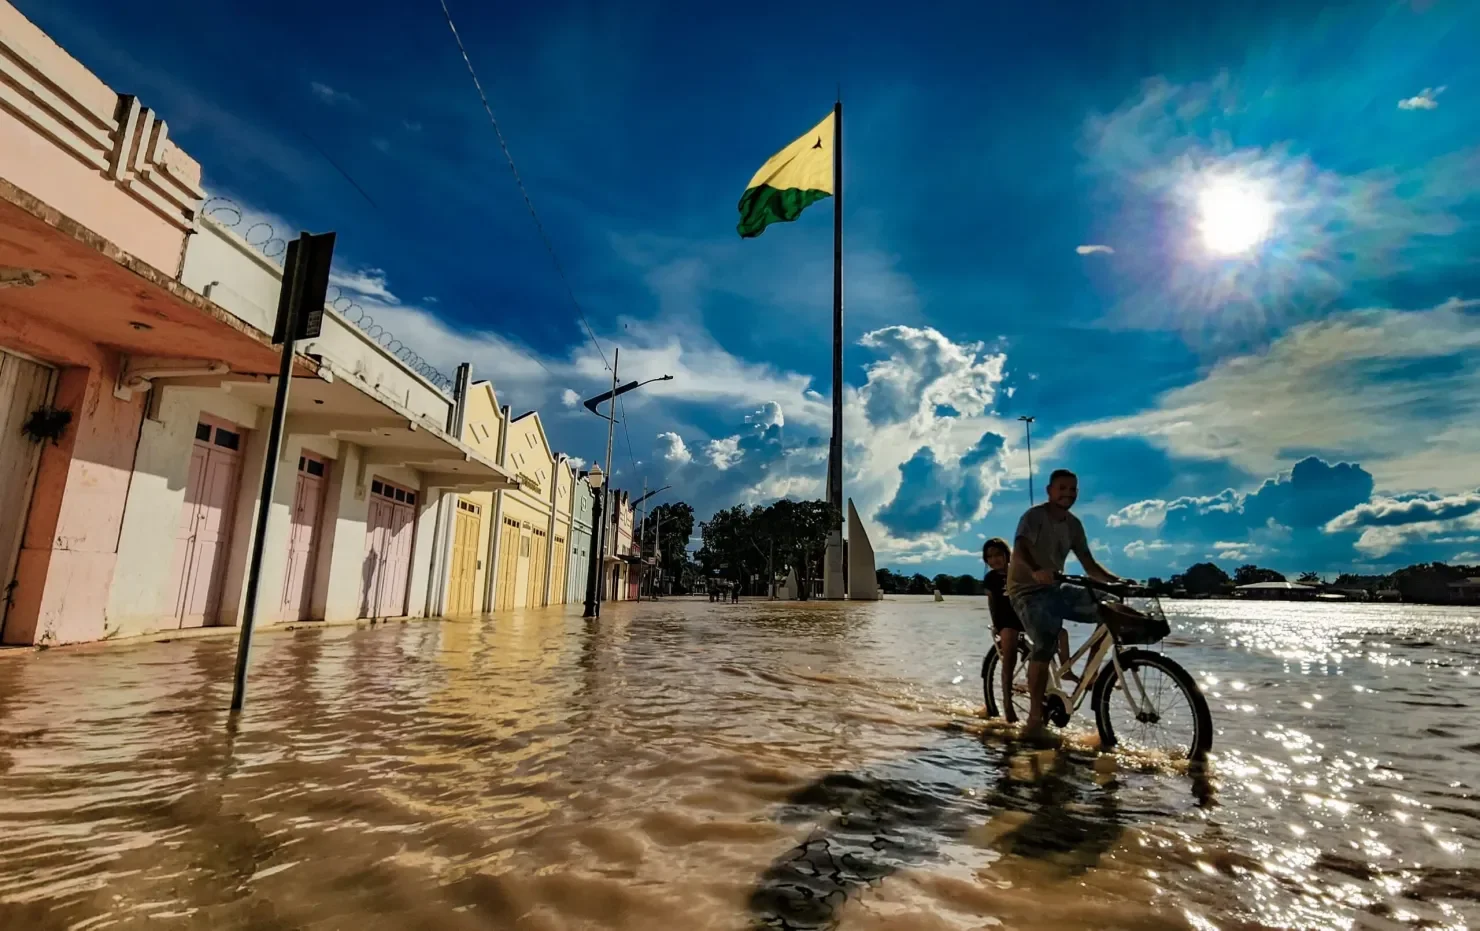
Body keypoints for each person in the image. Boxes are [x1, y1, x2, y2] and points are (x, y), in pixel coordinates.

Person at [1007, 469, 1123, 741]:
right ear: (1049, 491)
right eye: (1062, 488)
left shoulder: (1074, 525)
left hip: (1055, 587)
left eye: (1072, 489)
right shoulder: (1034, 516)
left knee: (1111, 606)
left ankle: (1090, 676)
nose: (1067, 494)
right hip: (1027, 591)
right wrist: (1036, 570)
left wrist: (1119, 581)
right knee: (1045, 644)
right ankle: (1035, 719)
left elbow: (1089, 565)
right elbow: (1020, 548)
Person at [982, 538, 1073, 725]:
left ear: (1008, 555)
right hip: (1007, 620)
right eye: (989, 557)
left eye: (998, 555)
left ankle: (1066, 670)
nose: (994, 560)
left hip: (1025, 616)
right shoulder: (991, 579)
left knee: (1061, 634)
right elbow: (992, 603)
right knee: (1009, 652)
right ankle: (1007, 703)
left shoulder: (1020, 573)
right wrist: (996, 625)